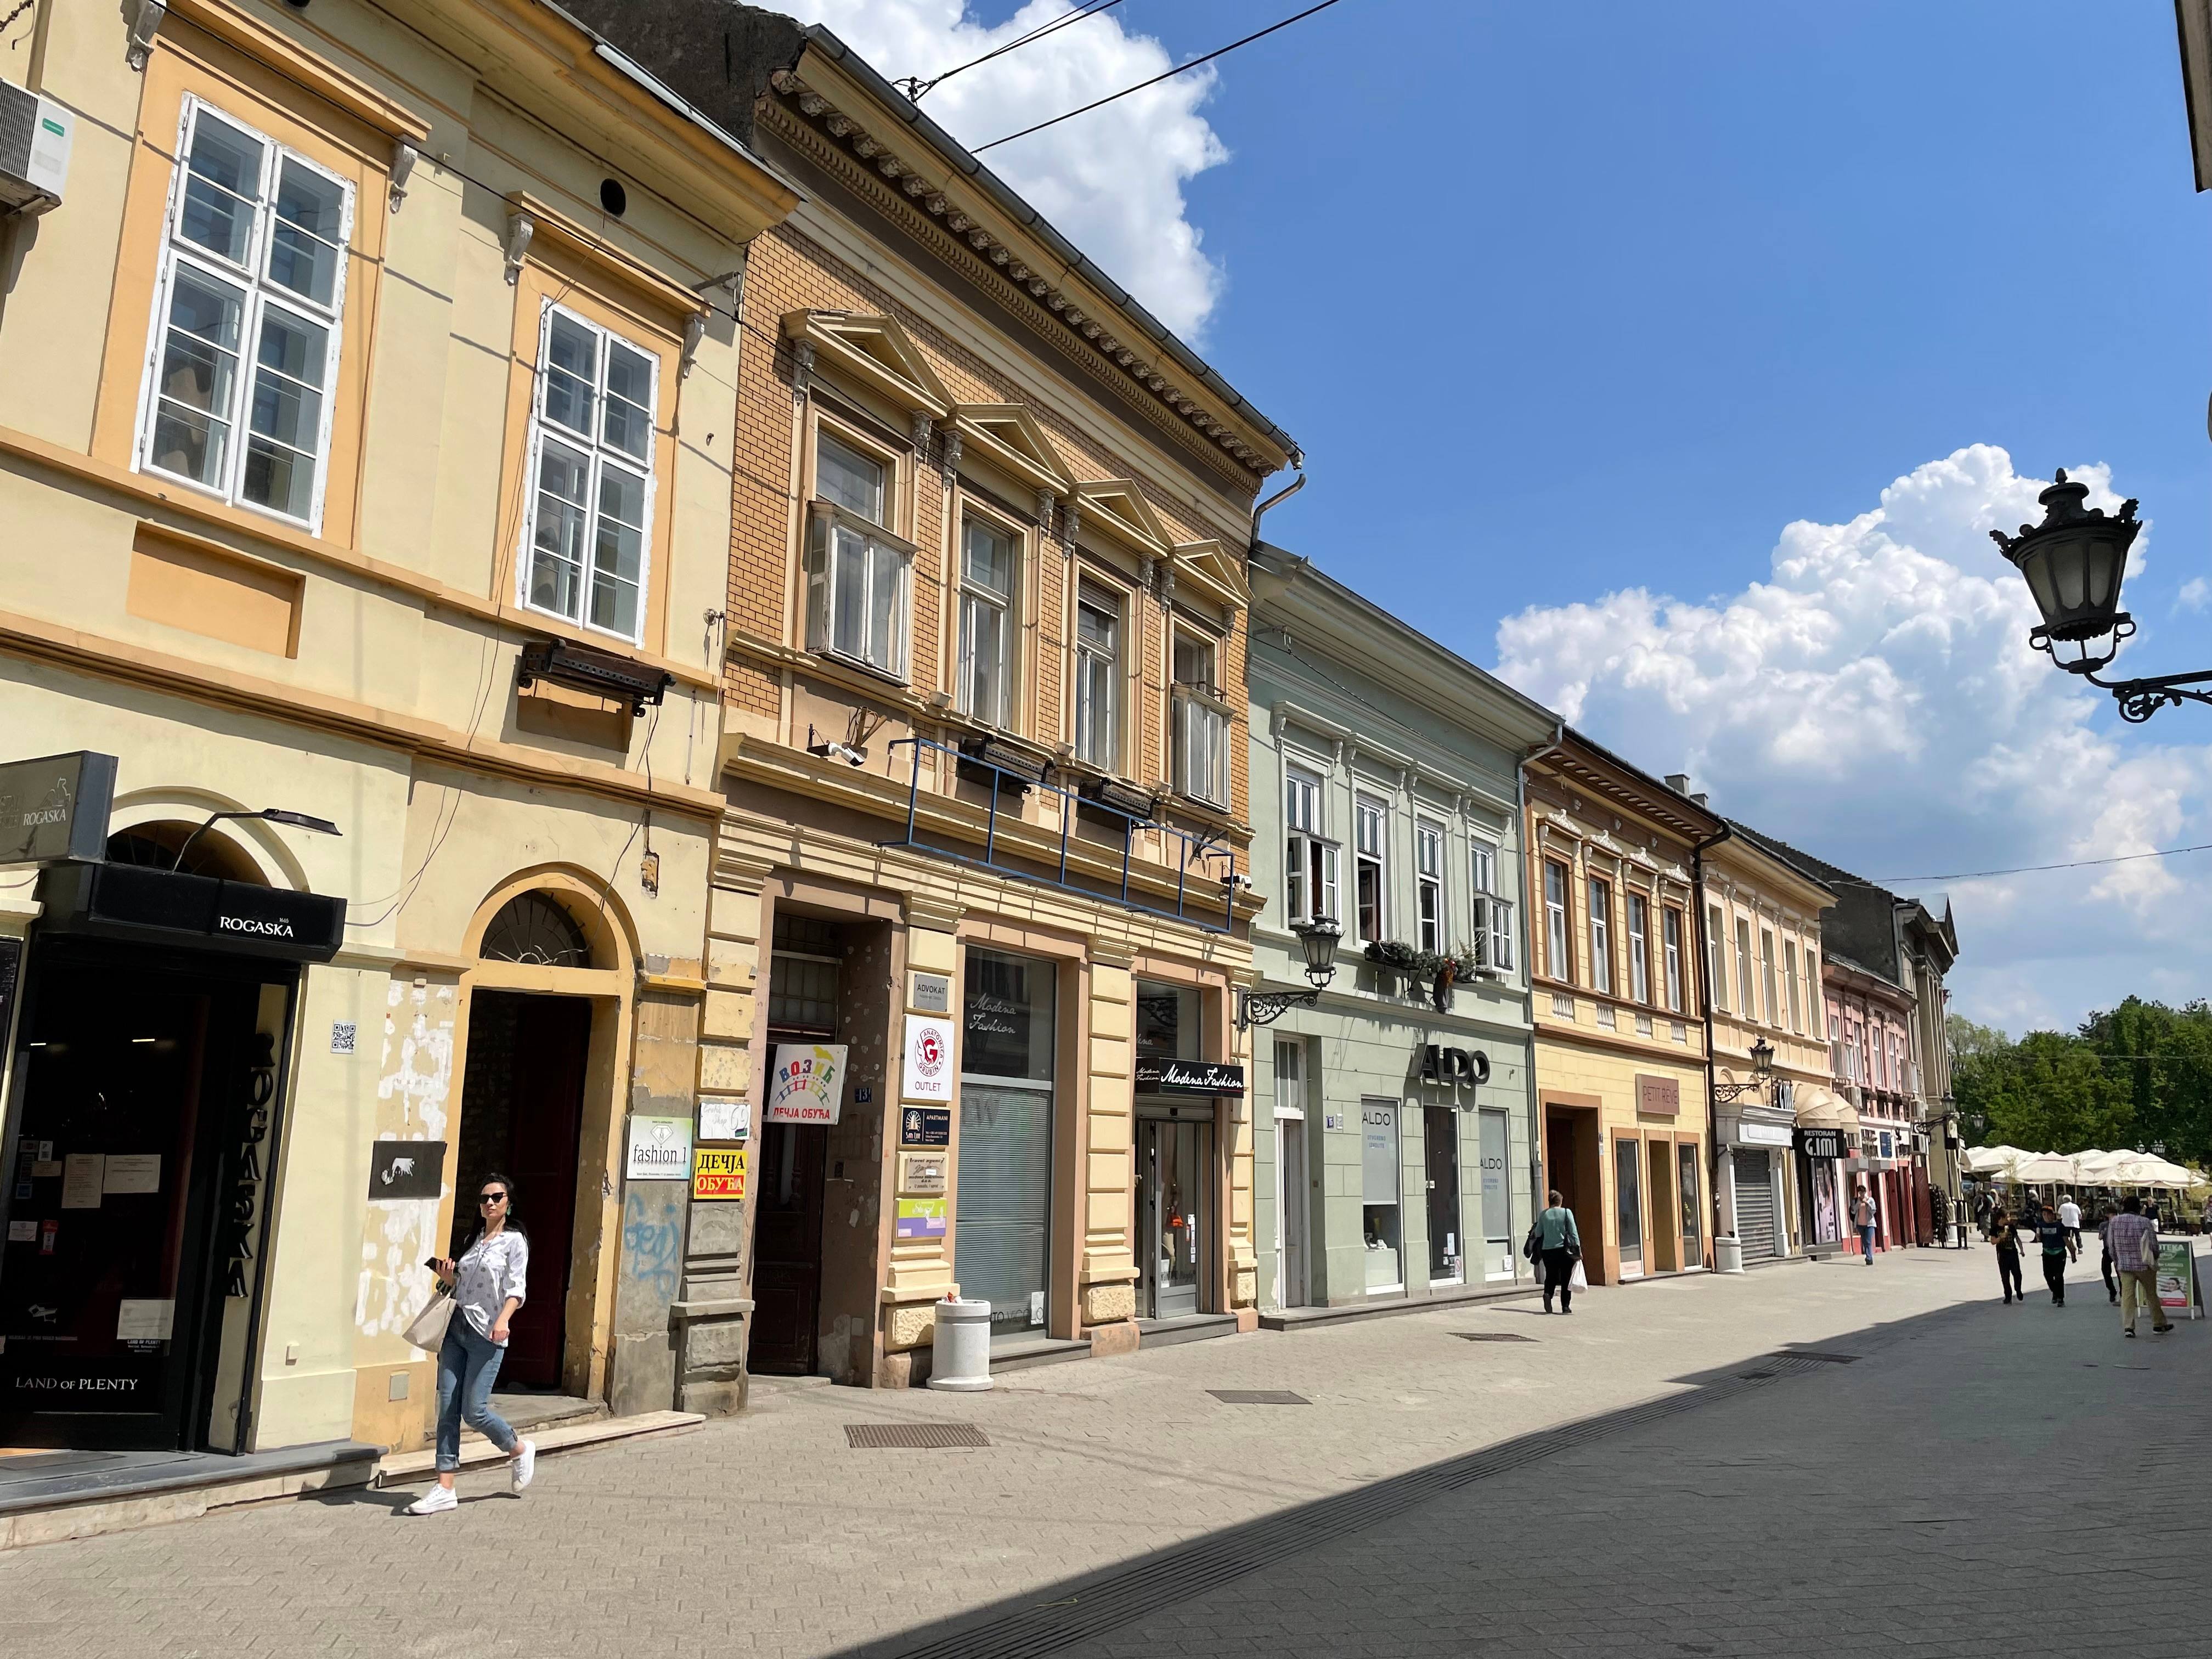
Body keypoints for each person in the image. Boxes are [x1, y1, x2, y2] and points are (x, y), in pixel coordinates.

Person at [407, 1172, 536, 1516]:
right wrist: (448, 1278)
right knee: (447, 1409)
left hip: (487, 1334)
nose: (489, 1203)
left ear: (509, 1203)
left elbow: (516, 1288)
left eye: (496, 1197)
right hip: (456, 1328)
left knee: (474, 1411)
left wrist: (504, 1320)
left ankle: (519, 1449)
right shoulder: (472, 1239)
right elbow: (459, 1287)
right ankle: (445, 1487)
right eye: (484, 1199)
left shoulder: (515, 1242)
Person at [2105, 1194, 2173, 1339]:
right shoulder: (2145, 1222)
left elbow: (2111, 1245)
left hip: (2125, 1266)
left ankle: (2129, 1327)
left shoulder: (2115, 1222)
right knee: (2151, 1294)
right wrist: (2155, 1257)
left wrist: (2117, 1261)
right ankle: (2158, 1324)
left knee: (2127, 1296)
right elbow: (2153, 1244)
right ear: (2139, 1207)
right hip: (2144, 1265)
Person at [1531, 1189, 1581, 1314]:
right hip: (1564, 1251)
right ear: (1560, 1201)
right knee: (1566, 1278)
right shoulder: (1566, 1212)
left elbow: (1538, 1233)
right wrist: (1578, 1250)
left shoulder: (1544, 1214)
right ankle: (1565, 1306)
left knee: (1551, 1275)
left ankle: (1548, 1294)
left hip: (1547, 1251)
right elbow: (1573, 1232)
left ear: (1550, 1201)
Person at [2029, 1201, 2070, 1307]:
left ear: (2053, 1215)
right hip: (2047, 1253)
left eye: (2048, 1214)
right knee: (2048, 1275)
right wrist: (2038, 1237)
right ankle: (2055, 1292)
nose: (2046, 1217)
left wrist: (2073, 1253)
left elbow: (2067, 1241)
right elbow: (2039, 1238)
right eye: (2044, 1215)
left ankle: (2060, 1298)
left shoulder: (2060, 1226)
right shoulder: (2041, 1225)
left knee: (2058, 1276)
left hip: (2059, 1253)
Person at [1989, 1206, 2024, 1305]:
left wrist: (2022, 1250)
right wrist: (2000, 1238)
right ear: (2001, 1218)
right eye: (2007, 1217)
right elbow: (1992, 1241)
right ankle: (2008, 1296)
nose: (2009, 1219)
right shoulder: (1995, 1228)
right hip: (2003, 1255)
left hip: (2013, 1254)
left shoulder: (2011, 1227)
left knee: (2017, 1274)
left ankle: (2018, 1289)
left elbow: (2017, 1239)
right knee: (2005, 1277)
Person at [2096, 1205, 2120, 1305]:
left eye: (2115, 1215)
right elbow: (2100, 1237)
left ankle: (2123, 1294)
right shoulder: (2104, 1225)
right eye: (2111, 1215)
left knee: (2120, 1273)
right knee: (2106, 1271)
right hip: (2107, 1249)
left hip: (2118, 1250)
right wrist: (2103, 1233)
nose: (2113, 1216)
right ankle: (2112, 1291)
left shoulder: (2119, 1224)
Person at [1853, 1186, 1877, 1267]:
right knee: (1864, 1241)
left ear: (1865, 1192)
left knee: (1868, 1241)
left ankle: (1869, 1258)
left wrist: (1867, 1203)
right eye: (1860, 1193)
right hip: (1860, 1224)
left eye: (1863, 1192)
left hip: (1870, 1224)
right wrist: (1857, 1205)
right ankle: (1869, 1257)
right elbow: (1854, 1212)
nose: (1861, 1194)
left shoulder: (1870, 1200)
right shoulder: (1857, 1201)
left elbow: (1873, 1211)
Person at [2058, 1193, 2082, 1259]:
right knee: (2078, 1236)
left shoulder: (2062, 1206)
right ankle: (2080, 1248)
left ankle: (2066, 1248)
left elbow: (2059, 1215)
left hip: (2065, 1224)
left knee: (2065, 1237)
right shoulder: (2076, 1206)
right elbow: (2080, 1215)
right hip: (2075, 1224)